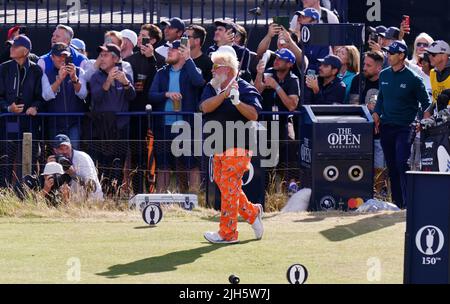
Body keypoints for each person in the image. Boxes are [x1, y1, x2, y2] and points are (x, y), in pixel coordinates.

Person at [199, 48, 264, 244]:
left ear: (227, 70)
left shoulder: (244, 88)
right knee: (227, 185)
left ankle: (228, 233)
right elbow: (204, 107)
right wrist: (224, 95)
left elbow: (254, 114)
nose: (212, 71)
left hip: (238, 145)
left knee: (228, 186)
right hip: (217, 144)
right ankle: (252, 213)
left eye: (215, 67)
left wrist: (236, 101)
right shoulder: (211, 87)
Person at [373, 41, 431, 209]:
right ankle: (398, 203)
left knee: (401, 162)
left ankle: (408, 202)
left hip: (405, 127)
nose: (388, 56)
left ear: (401, 56)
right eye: (388, 53)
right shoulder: (384, 75)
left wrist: (420, 121)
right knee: (391, 165)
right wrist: (376, 112)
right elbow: (381, 98)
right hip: (386, 126)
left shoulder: (413, 78)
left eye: (391, 53)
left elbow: (426, 103)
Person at [149, 40, 205, 193]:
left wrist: (189, 59)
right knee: (163, 166)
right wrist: (166, 94)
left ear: (182, 52)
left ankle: (195, 201)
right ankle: (160, 200)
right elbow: (151, 95)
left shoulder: (192, 69)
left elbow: (199, 82)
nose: (168, 52)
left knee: (191, 164)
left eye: (172, 50)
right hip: (164, 126)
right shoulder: (161, 72)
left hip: (186, 126)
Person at [89, 43, 136, 195]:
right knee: (103, 165)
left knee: (118, 164)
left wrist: (126, 84)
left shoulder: (125, 75)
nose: (101, 59)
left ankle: (114, 195)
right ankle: (102, 195)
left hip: (121, 128)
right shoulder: (96, 77)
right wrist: (108, 81)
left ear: (115, 59)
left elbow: (132, 97)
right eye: (100, 55)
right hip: (102, 128)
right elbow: (96, 98)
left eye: (105, 55)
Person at [124, 23, 165, 194]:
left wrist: (151, 58)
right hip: (135, 115)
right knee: (135, 156)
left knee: (155, 156)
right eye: (139, 35)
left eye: (144, 36)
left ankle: (153, 193)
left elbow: (161, 81)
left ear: (153, 40)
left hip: (155, 115)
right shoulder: (129, 61)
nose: (140, 38)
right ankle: (137, 193)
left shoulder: (160, 60)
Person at [0, 35, 44, 186]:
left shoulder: (36, 70)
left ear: (25, 51)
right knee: (6, 158)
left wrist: (35, 107)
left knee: (27, 160)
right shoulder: (3, 68)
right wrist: (8, 107)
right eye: (11, 45)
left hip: (29, 123)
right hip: (9, 121)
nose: (11, 48)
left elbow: (41, 96)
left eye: (14, 46)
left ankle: (24, 192)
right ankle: (3, 192)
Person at [254, 49, 300, 179]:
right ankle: (265, 189)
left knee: (288, 147)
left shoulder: (293, 79)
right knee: (265, 157)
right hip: (265, 121)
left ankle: (287, 187)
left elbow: (292, 105)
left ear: (289, 64)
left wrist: (276, 87)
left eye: (281, 59)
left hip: (283, 121)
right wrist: (259, 74)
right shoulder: (268, 73)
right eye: (276, 58)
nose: (276, 61)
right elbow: (255, 92)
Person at [348, 51, 386, 195]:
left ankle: (378, 194)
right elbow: (353, 105)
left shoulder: (385, 80)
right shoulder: (358, 80)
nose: (364, 67)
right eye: (364, 64)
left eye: (368, 65)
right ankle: (358, 193)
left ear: (378, 68)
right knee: (359, 163)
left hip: (380, 130)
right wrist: (366, 108)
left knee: (379, 164)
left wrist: (377, 111)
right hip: (361, 130)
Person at [41, 43, 88, 148]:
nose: (62, 59)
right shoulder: (46, 73)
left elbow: (83, 95)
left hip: (74, 123)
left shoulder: (79, 71)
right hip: (55, 123)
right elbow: (46, 96)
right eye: (59, 56)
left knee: (74, 153)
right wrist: (59, 80)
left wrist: (74, 78)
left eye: (65, 56)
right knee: (57, 155)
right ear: (52, 57)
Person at [47, 134, 103, 201]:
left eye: (67, 148)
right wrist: (49, 167)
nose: (65, 152)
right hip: (69, 202)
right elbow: (48, 183)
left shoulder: (82, 158)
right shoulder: (54, 160)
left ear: (71, 146)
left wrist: (73, 173)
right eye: (61, 149)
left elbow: (91, 187)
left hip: (92, 200)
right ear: (55, 150)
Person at [295, 8, 330, 74]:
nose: (299, 19)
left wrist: (302, 67)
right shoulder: (294, 37)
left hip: (312, 78)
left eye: (304, 17)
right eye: (299, 17)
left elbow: (321, 66)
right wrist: (296, 40)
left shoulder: (322, 42)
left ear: (314, 22)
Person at [426, 40, 450, 112]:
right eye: (428, 54)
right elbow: (435, 100)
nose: (430, 57)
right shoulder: (432, 73)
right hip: (439, 118)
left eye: (433, 54)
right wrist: (428, 111)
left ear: (444, 55)